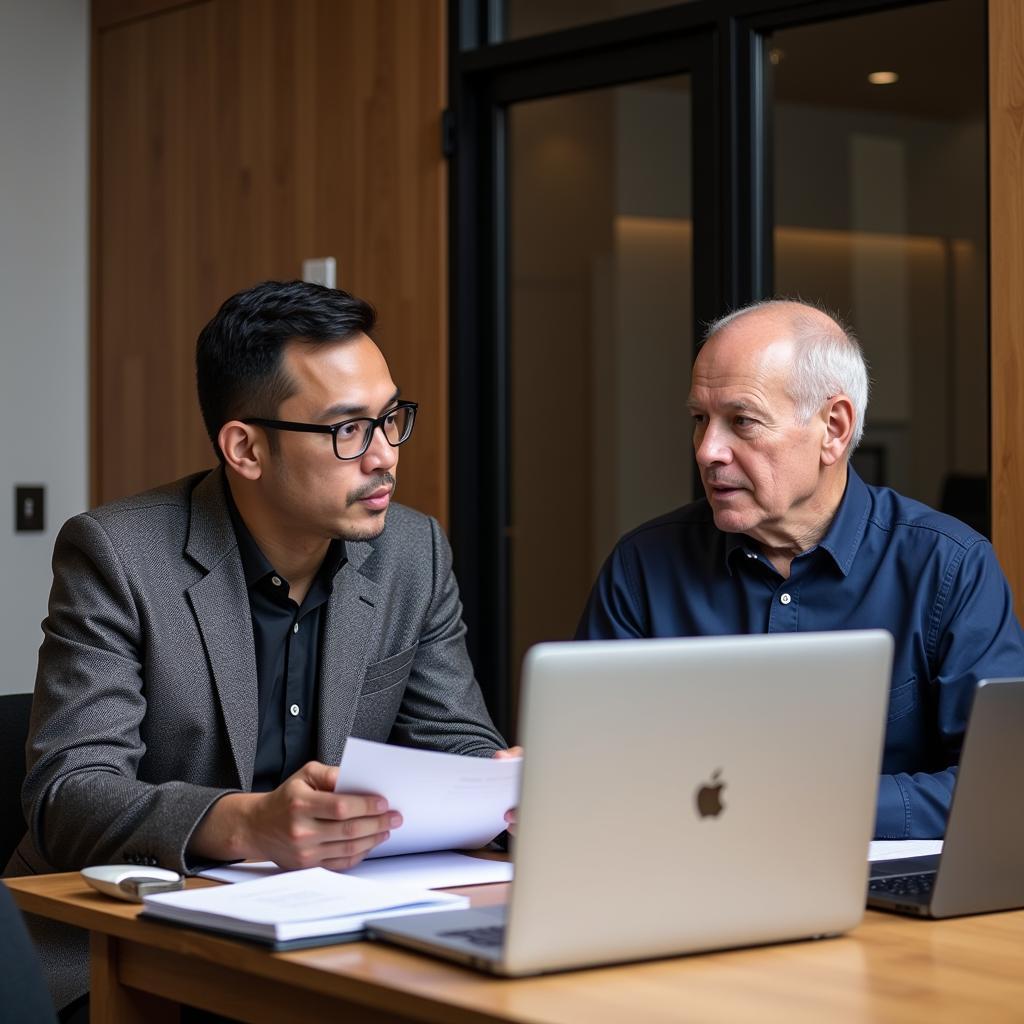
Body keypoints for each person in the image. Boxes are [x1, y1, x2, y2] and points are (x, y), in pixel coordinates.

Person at [6, 280, 515, 1013]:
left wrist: (501, 794)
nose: (384, 457)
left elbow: (454, 739)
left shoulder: (413, 551)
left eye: (391, 418)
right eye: (348, 430)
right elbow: (69, 796)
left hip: (347, 934)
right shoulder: (117, 555)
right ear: (245, 448)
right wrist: (250, 823)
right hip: (128, 944)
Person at [576, 299, 1024, 840]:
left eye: (742, 421)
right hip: (690, 882)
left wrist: (805, 805)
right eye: (700, 420)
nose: (708, 450)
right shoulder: (643, 567)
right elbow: (588, 768)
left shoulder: (948, 567)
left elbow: (1000, 787)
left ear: (833, 429)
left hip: (884, 902)